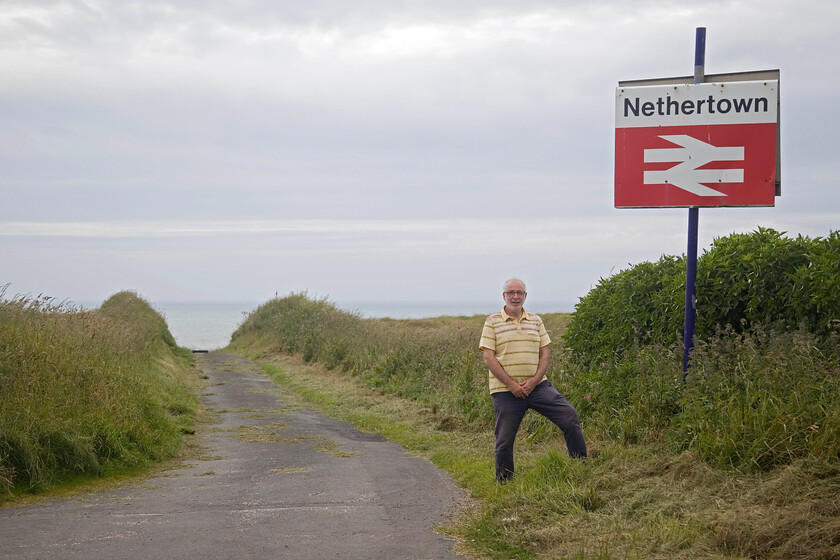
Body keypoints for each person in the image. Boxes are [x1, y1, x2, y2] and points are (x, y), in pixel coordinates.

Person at [479, 278, 587, 482]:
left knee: (569, 415)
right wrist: (511, 384)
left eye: (519, 293)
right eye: (511, 292)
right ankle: (505, 483)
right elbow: (488, 357)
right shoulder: (492, 321)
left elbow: (544, 354)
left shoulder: (536, 320)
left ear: (525, 296)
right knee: (504, 439)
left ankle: (581, 466)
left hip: (538, 387)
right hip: (505, 390)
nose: (515, 296)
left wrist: (535, 380)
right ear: (504, 296)